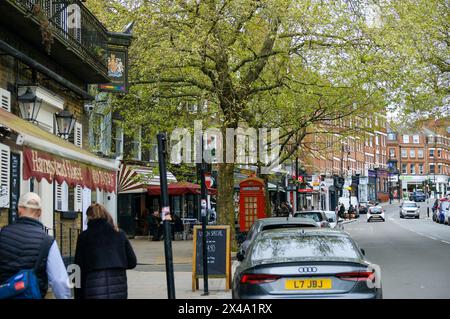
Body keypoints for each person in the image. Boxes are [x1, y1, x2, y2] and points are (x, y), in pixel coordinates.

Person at [0, 192, 70, 299]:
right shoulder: (47, 241)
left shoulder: (3, 234)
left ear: (19, 209)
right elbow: (59, 280)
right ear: (40, 212)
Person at [74, 203, 137, 299]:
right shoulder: (119, 233)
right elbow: (132, 262)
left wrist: (77, 293)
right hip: (118, 287)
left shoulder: (84, 237)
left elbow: (77, 268)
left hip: (93, 287)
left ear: (89, 218)